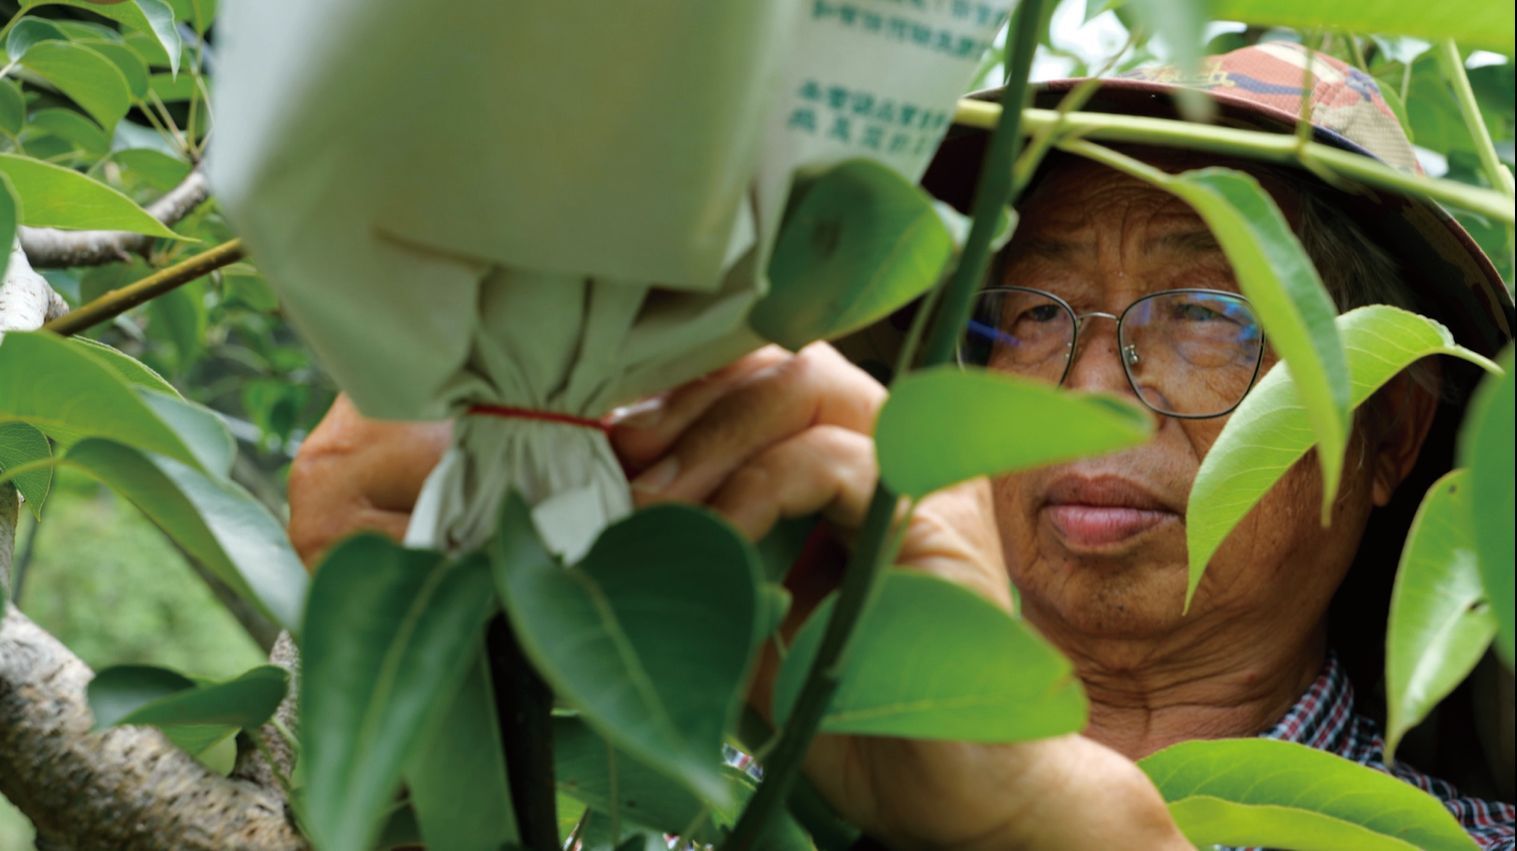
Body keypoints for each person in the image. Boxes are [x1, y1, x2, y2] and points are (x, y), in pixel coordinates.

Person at [287, 44, 1516, 849]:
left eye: (1201, 315)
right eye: (1029, 312)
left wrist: (1037, 814)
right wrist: (425, 685)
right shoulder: (693, 768)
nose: (1089, 385)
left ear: (1384, 433)